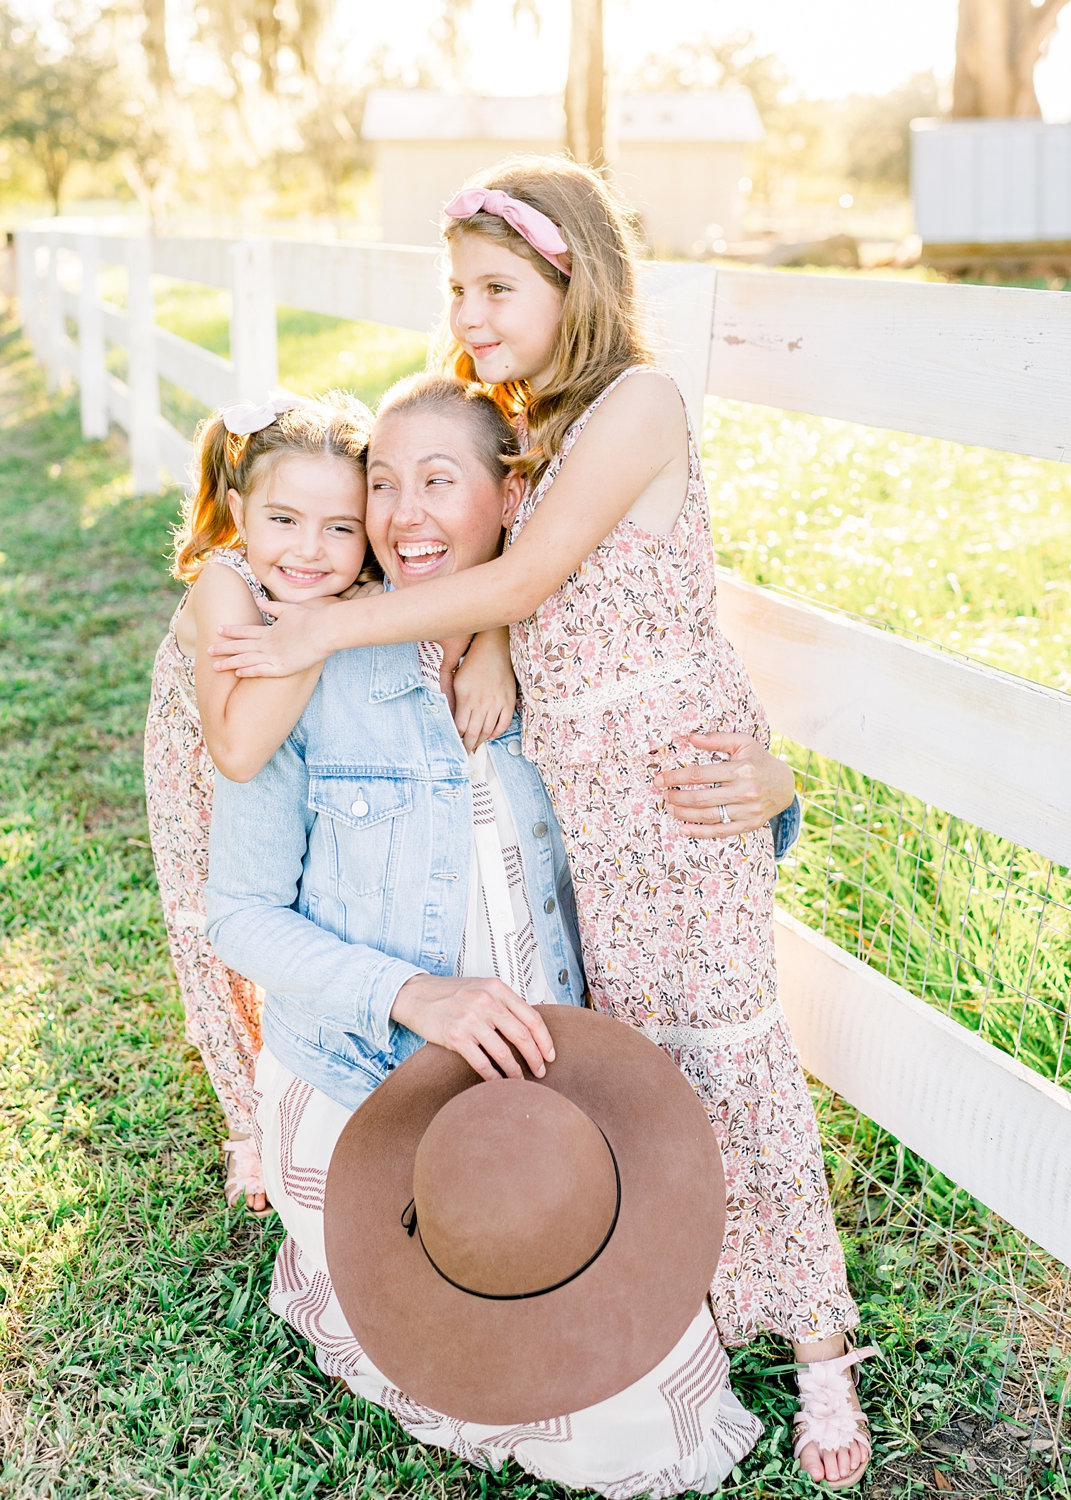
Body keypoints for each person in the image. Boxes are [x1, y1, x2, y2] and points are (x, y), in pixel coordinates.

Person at [208, 161, 875, 1489]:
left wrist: (332, 620)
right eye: (455, 289)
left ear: (578, 274)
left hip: (678, 795)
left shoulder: (638, 398)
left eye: (495, 285)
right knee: (648, 1075)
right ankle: (696, 1289)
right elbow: (500, 545)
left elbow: (531, 562)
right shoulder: (539, 430)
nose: (468, 313)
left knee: (734, 1062)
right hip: (596, 818)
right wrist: (491, 641)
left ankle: (817, 1347)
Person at [203, 380, 763, 1495]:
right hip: (366, 1068)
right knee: (442, 1331)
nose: (403, 514)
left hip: (545, 1089)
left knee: (644, 1417)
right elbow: (239, 914)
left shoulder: (555, 653)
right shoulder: (306, 664)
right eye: (383, 485)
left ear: (512, 500)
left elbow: (679, 789)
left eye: (438, 482)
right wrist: (416, 994)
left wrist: (773, 786)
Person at [144, 392, 514, 1213]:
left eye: (342, 527)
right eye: (283, 520)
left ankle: (290, 1056)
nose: (310, 551)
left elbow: (467, 585)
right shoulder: (229, 586)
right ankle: (248, 1121)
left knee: (302, 914)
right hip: (209, 757)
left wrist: (493, 641)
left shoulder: (358, 575)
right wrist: (316, 630)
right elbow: (237, 751)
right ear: (240, 512)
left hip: (292, 749)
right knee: (213, 934)